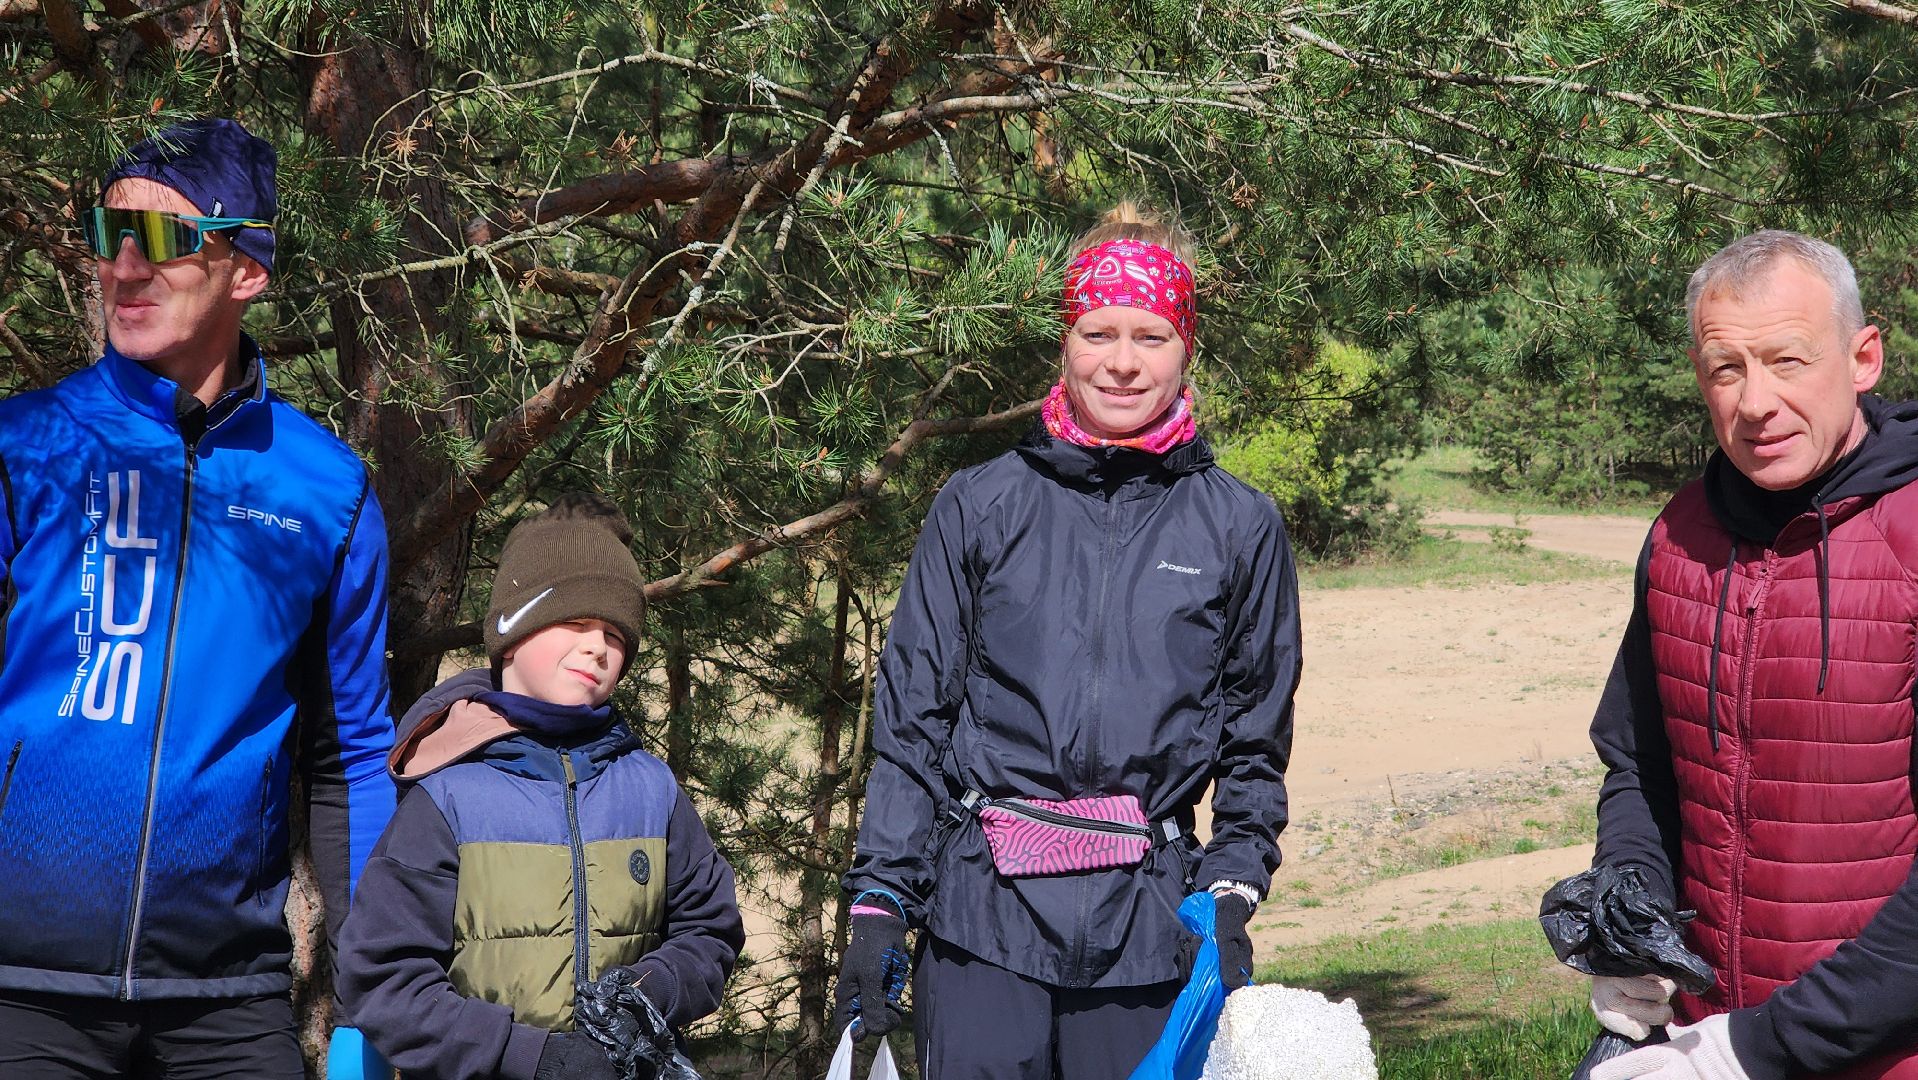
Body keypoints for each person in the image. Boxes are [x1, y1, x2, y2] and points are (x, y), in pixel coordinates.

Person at [834, 204, 1301, 1078]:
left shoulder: (1240, 525)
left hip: (1149, 932)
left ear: (1186, 349)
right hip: (981, 924)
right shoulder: (978, 505)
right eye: (1098, 333)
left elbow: (1254, 739)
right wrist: (882, 896)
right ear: (1064, 341)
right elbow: (911, 722)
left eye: (1151, 337)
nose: (1123, 362)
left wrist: (1232, 883)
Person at [0, 119, 396, 1078]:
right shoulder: (23, 447)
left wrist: (372, 1005)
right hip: (20, 991)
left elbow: (351, 758)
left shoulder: (325, 491)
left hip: (227, 1003)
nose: (125, 266)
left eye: (162, 238)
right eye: (109, 232)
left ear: (247, 269)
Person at [1584, 231, 1918, 1080]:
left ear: (1864, 358)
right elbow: (1641, 766)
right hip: (1705, 1037)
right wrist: (1632, 924)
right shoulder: (1680, 533)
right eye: (1726, 370)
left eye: (1787, 361)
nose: (1757, 402)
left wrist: (1755, 1049)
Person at [336, 494, 745, 1080]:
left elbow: (710, 929)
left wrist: (648, 994)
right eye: (574, 622)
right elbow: (383, 979)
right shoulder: (448, 795)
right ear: (511, 629)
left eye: (615, 634)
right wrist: (531, 1058)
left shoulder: (650, 789)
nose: (597, 647)